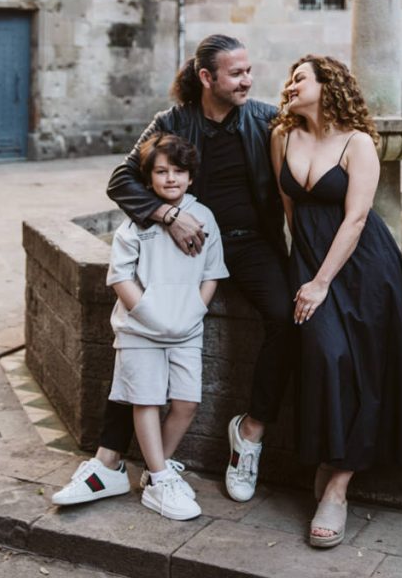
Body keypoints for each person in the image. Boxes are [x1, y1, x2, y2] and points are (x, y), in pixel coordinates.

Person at [52, 34, 294, 508]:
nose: (248, 80)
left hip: (247, 247)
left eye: (248, 71)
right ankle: (109, 463)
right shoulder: (174, 121)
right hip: (183, 245)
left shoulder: (265, 118)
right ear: (207, 78)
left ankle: (250, 434)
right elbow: (122, 177)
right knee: (141, 337)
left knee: (286, 318)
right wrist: (168, 216)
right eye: (236, 73)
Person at [269, 55, 402, 549]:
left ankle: (339, 487)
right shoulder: (281, 136)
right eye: (290, 76)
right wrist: (300, 271)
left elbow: (356, 220)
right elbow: (291, 210)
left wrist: (321, 282)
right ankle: (328, 457)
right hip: (309, 259)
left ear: (328, 86)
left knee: (359, 362)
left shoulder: (357, 142)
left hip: (364, 268)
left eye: (300, 77)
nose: (290, 84)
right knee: (324, 354)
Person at [108, 133, 227, 520]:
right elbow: (119, 276)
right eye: (161, 171)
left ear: (191, 177)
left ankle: (157, 470)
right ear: (148, 179)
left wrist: (195, 310)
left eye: (178, 171)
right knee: (146, 400)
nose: (171, 178)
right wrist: (147, 313)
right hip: (141, 330)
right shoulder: (136, 220)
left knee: (186, 402)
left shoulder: (205, 217)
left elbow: (212, 272)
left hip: (187, 329)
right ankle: (160, 480)